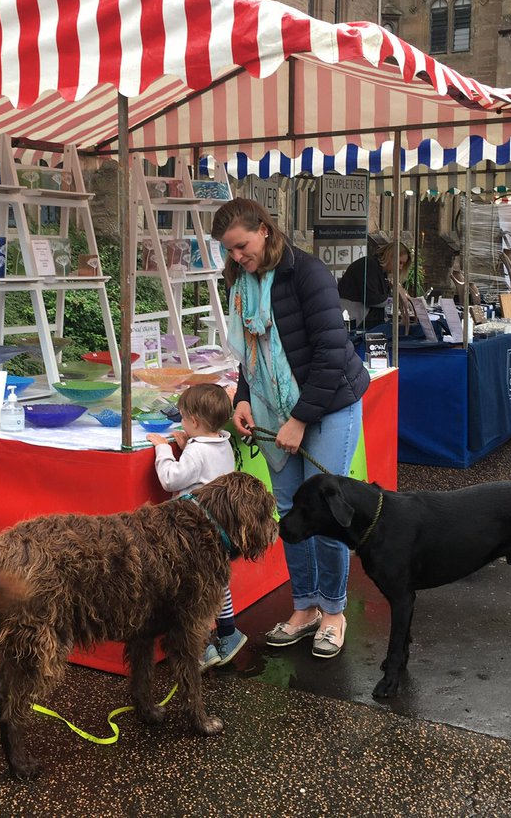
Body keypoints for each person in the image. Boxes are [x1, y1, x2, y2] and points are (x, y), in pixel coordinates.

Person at [213, 198, 370, 659]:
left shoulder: (309, 273)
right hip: (273, 408)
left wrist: (299, 420)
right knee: (289, 512)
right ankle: (305, 608)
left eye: (242, 246)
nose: (238, 257)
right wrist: (243, 398)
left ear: (263, 229)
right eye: (230, 252)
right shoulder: (242, 282)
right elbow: (253, 355)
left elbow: (330, 354)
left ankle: (335, 611)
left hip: (330, 404)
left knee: (325, 511)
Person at [146, 383, 244, 669]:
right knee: (218, 584)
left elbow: (171, 479)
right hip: (220, 530)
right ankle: (228, 633)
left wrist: (164, 451)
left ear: (194, 422)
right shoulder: (222, 442)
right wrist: (187, 445)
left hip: (195, 533)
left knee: (193, 591)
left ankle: (201, 647)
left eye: (182, 417)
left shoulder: (197, 451)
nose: (180, 421)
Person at [337, 240, 412, 330]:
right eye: (400, 263)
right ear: (390, 257)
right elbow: (372, 299)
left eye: (403, 264)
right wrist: (394, 299)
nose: (400, 267)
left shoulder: (378, 269)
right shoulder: (370, 266)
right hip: (356, 319)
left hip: (361, 319)